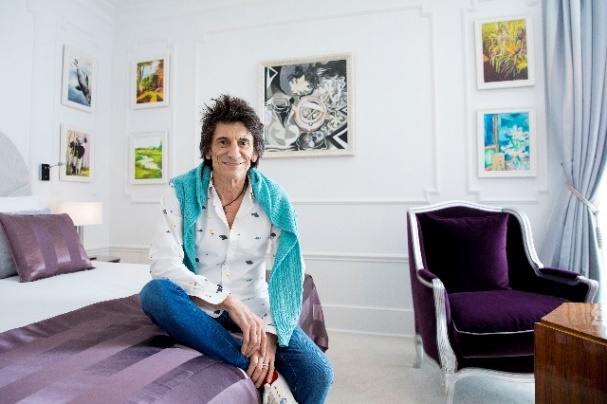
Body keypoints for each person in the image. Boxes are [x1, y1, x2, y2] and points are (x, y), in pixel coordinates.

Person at [139, 94, 333, 403]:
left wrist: (270, 335)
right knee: (155, 294)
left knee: (318, 372)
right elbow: (163, 263)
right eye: (223, 142)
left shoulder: (275, 200)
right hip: (200, 306)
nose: (234, 152)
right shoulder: (179, 193)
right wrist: (228, 302)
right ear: (207, 150)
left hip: (256, 307)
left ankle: (257, 360)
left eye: (243, 142)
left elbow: (290, 272)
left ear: (255, 153)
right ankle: (254, 368)